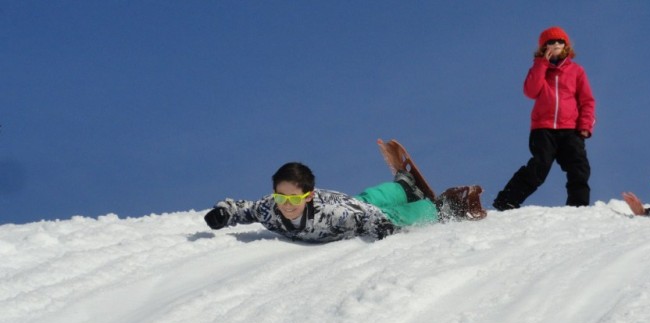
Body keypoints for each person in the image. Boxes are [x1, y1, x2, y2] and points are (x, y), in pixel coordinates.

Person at [204, 162, 475, 243]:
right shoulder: (270, 209)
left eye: (294, 198)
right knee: (367, 198)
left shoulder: (333, 215)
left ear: (307, 196)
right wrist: (224, 213)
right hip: (349, 205)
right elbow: (245, 208)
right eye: (281, 197)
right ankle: (404, 187)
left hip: (352, 215)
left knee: (385, 213)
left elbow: (367, 215)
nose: (286, 205)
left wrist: (384, 228)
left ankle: (438, 208)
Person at [494, 26, 596, 210]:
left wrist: (585, 125)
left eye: (560, 41)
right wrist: (541, 64)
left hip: (570, 129)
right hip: (543, 128)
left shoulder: (576, 71)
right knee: (539, 167)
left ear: (566, 45)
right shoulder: (540, 68)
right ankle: (507, 200)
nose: (556, 44)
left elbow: (587, 101)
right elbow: (530, 91)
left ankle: (578, 206)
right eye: (550, 42)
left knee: (579, 167)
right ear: (543, 47)